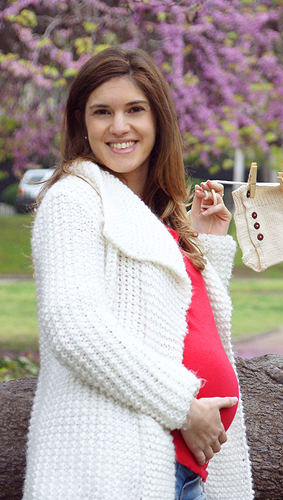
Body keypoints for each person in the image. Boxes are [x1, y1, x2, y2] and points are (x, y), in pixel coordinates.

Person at [23, 46, 255, 500]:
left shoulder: (152, 214)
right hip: (121, 468)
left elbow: (181, 324)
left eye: (135, 110)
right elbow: (75, 330)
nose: (119, 126)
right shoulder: (73, 200)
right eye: (102, 112)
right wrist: (184, 408)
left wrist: (204, 246)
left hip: (185, 472)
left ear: (158, 120)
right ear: (81, 123)